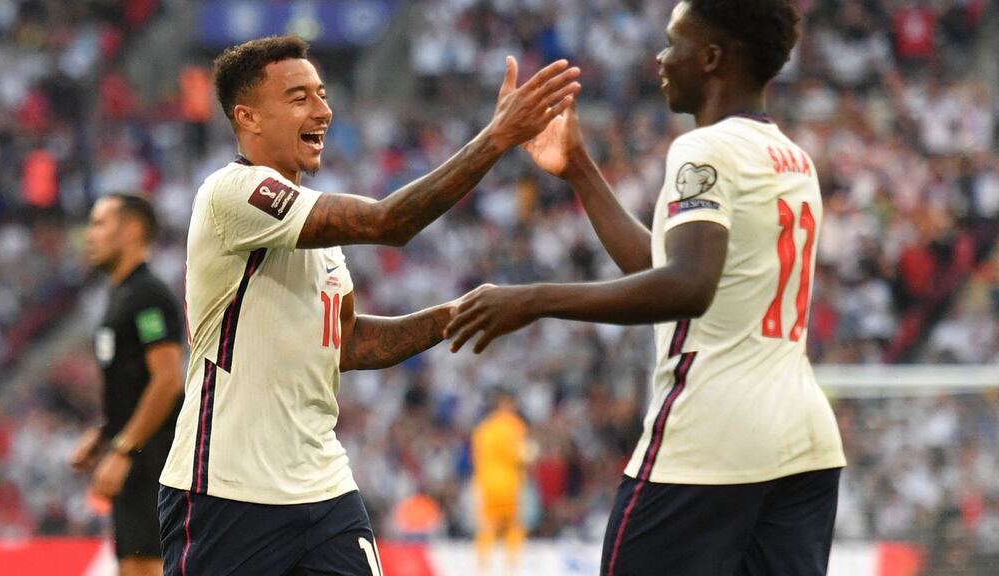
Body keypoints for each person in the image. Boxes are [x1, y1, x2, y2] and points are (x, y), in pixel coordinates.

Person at [446, 1, 846, 575]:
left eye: (673, 42)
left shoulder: (704, 149)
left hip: (711, 437)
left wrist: (532, 299)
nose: (661, 57)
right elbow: (663, 264)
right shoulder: (793, 157)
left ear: (710, 58)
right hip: (803, 443)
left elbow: (686, 286)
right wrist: (580, 168)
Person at [157, 35, 580, 575]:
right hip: (227, 489)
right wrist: (496, 138)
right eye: (299, 97)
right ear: (249, 117)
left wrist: (458, 314)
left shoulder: (317, 233)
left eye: (323, 93)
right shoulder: (233, 191)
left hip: (323, 485)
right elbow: (387, 222)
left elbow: (349, 343)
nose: (323, 109)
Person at [70, 194, 185, 576]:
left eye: (100, 223)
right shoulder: (122, 296)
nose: (90, 235)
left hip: (154, 462)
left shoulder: (149, 296)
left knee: (150, 567)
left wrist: (121, 449)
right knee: (133, 566)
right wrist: (105, 433)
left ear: (132, 229)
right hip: (135, 459)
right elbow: (136, 384)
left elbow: (167, 380)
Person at [470, 388, 533, 574]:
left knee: (487, 525)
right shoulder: (514, 426)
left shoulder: (483, 429)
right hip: (508, 483)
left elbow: (477, 457)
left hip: (487, 483)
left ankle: (483, 566)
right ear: (507, 404)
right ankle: (512, 567)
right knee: (513, 525)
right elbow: (521, 454)